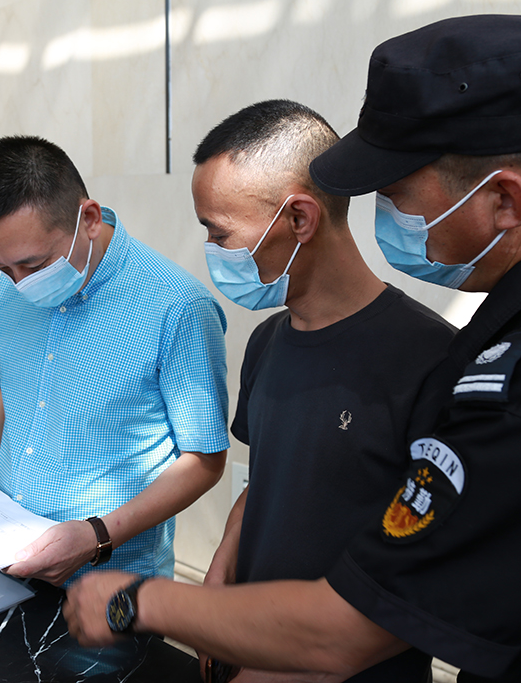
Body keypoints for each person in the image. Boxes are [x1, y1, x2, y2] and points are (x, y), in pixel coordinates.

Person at [64, 14, 521, 683]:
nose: (385, 215)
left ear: (504, 201)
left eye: (397, 195)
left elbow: (355, 627)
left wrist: (140, 602)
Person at [191, 99, 454, 683]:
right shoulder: (266, 342)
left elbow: (426, 576)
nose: (213, 251)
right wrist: (218, 583)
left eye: (219, 233)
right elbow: (266, 483)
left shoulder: (430, 360)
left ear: (300, 219)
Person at [0, 135, 230, 587]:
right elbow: (14, 389)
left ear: (88, 218)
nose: (19, 282)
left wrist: (96, 536)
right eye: (2, 268)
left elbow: (204, 460)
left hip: (112, 581)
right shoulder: (13, 282)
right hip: (6, 559)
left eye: (35, 265)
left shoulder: (177, 307)